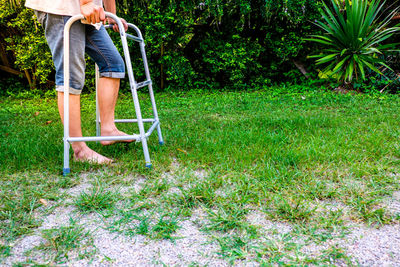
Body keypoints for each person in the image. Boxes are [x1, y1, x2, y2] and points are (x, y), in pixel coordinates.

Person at [25, 0, 132, 164]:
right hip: (63, 8)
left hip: (88, 13)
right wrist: (86, 2)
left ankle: (109, 129)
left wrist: (112, 15)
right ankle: (79, 149)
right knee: (71, 76)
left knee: (113, 64)